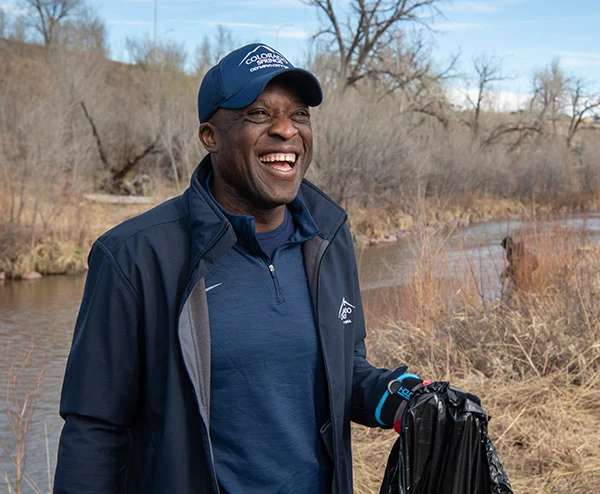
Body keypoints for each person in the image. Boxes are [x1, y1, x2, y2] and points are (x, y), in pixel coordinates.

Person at [53, 43, 438, 494]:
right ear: (210, 136)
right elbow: (94, 430)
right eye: (258, 114)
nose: (285, 130)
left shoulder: (329, 238)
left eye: (299, 114)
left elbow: (344, 370)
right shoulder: (134, 256)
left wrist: (406, 397)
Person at [500, 235, 539, 300]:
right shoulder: (519, 247)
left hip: (522, 272)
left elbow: (514, 265)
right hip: (528, 269)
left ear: (505, 245)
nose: (504, 249)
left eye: (504, 247)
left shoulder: (510, 251)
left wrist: (505, 273)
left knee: (519, 289)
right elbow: (535, 262)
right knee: (529, 288)